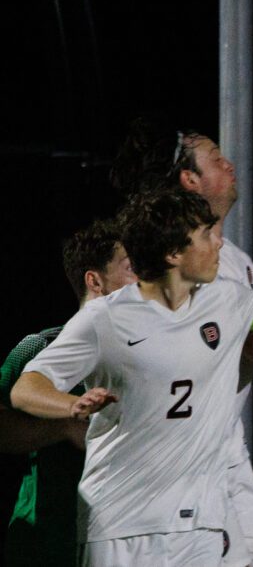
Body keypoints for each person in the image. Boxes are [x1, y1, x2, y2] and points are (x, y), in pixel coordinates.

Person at [10, 189, 253, 566]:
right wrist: (72, 404)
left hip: (199, 527)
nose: (219, 241)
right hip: (121, 525)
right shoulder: (104, 319)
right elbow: (27, 388)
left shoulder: (229, 300)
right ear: (173, 254)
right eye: (206, 234)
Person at [110, 116, 253, 566]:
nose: (229, 163)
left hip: (224, 456)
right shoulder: (181, 268)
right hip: (178, 469)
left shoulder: (232, 261)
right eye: (215, 157)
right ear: (190, 179)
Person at [0, 219, 136, 566]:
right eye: (132, 267)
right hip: (47, 536)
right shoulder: (37, 348)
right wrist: (63, 426)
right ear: (95, 281)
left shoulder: (155, 351)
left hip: (128, 532)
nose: (145, 279)